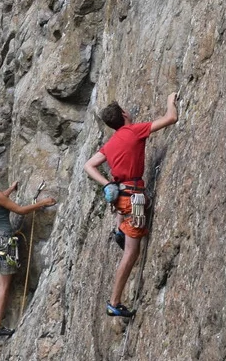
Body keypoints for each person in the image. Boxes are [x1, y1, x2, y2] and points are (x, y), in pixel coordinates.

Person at [83, 92, 178, 318]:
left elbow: (89, 165)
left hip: (120, 196)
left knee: (131, 212)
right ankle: (114, 302)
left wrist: (107, 184)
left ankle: (119, 230)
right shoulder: (134, 131)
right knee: (131, 253)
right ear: (124, 114)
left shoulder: (111, 143)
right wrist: (170, 100)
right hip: (134, 198)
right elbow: (171, 118)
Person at [0, 159, 56, 338]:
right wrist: (42, 203)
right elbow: (20, 210)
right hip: (3, 242)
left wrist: (10, 189)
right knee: (4, 285)